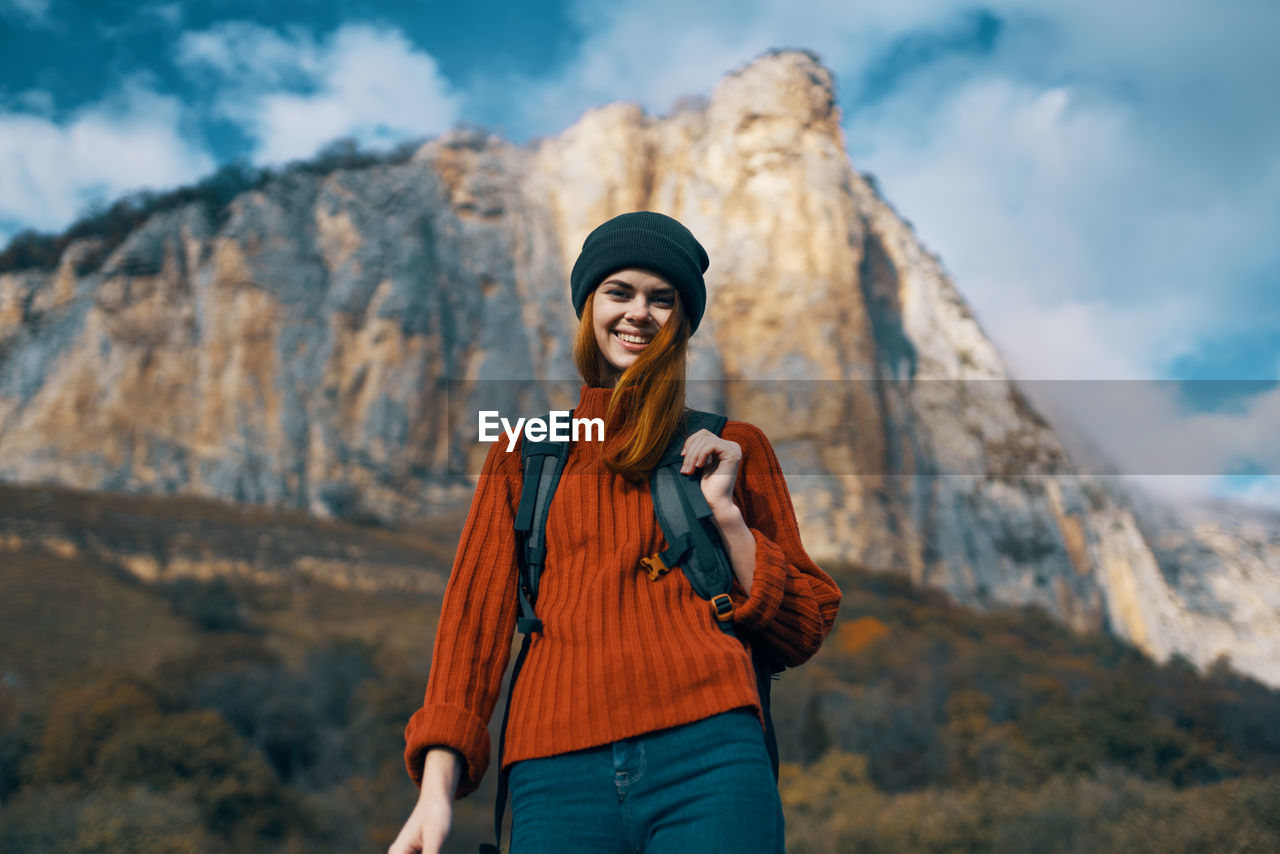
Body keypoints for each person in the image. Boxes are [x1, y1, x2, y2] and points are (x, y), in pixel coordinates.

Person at [389, 211, 842, 854]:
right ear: (588, 306)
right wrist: (435, 793)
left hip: (711, 754)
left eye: (663, 299)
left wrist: (730, 518)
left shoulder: (734, 447)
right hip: (553, 771)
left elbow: (804, 626)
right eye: (619, 292)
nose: (639, 314)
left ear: (682, 320)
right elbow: (472, 628)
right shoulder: (525, 453)